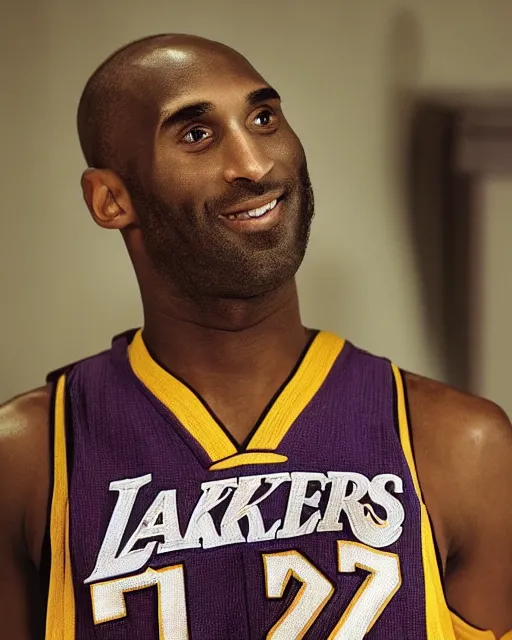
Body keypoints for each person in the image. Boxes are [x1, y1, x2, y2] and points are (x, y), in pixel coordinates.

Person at [1, 33, 511, 640]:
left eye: (263, 118)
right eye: (196, 134)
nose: (254, 163)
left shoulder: (460, 445)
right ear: (111, 199)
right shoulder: (29, 459)